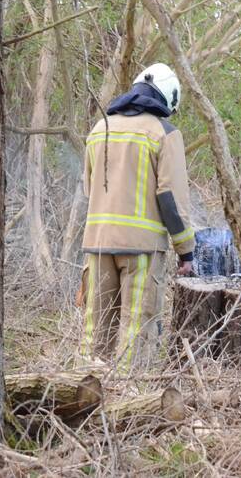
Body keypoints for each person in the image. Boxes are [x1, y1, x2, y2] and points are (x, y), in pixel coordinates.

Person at [80, 63, 195, 370]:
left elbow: (88, 190)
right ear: (168, 98)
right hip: (142, 250)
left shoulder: (99, 128)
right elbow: (171, 199)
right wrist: (186, 250)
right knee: (136, 330)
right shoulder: (164, 133)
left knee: (96, 329)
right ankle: (128, 398)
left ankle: (85, 394)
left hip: (98, 244)